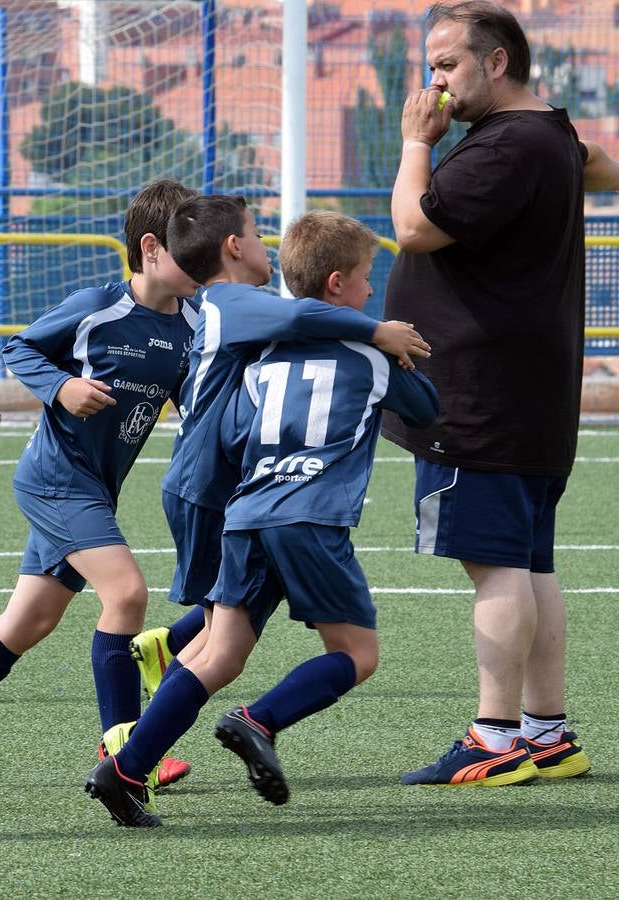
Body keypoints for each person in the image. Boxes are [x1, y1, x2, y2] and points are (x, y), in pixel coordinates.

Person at [85, 210, 439, 827]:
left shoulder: (261, 355)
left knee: (217, 652)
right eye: (365, 278)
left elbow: (235, 433)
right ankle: (259, 719)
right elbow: (427, 409)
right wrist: (391, 350)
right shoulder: (369, 351)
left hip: (246, 511)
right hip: (311, 515)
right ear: (336, 285)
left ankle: (123, 769)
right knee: (356, 652)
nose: (370, 292)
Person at [0, 179, 202, 796]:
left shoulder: (192, 326)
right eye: (190, 251)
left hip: (96, 487)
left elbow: (195, 401)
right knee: (126, 593)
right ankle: (124, 744)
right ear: (151, 250)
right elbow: (20, 349)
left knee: (28, 620)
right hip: (56, 480)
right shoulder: (100, 305)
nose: (203, 265)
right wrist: (63, 388)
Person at [388, 1, 617, 786]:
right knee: (526, 564)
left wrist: (416, 144)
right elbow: (593, 163)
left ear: (495, 63)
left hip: (479, 394)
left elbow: (414, 228)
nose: (433, 83)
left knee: (495, 568)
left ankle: (492, 738)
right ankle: (546, 731)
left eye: (447, 65)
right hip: (526, 390)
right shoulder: (543, 133)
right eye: (430, 68)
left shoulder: (505, 144)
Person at [133, 195, 430, 701]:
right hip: (205, 483)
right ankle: (131, 745)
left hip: (217, 481)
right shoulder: (230, 299)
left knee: (227, 624)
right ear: (233, 246)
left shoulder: (237, 306)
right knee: (221, 642)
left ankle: (158, 690)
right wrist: (377, 330)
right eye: (257, 234)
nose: (264, 243)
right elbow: (302, 317)